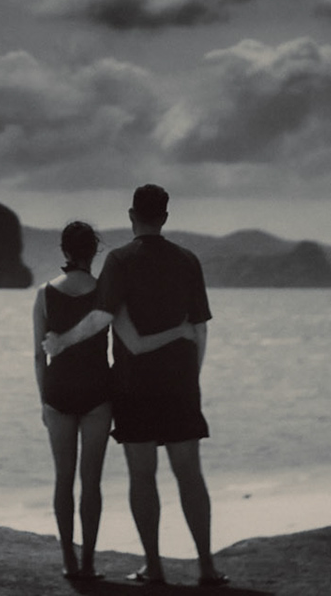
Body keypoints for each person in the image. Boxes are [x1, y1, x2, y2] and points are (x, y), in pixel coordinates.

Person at [43, 185, 226, 587]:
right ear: (165, 216)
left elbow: (101, 318)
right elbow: (199, 329)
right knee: (189, 475)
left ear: (131, 215)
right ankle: (207, 568)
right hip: (180, 384)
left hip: (134, 385)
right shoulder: (188, 260)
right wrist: (190, 377)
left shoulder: (120, 261)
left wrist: (61, 342)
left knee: (142, 476)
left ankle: (154, 569)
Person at [33, 220, 191, 582]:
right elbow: (132, 343)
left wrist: (43, 400)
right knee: (92, 481)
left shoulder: (43, 293)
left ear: (64, 250)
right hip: (97, 392)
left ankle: (68, 564)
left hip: (57, 391)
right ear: (95, 250)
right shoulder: (107, 292)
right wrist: (179, 333)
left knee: (62, 479)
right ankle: (89, 563)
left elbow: (37, 355)